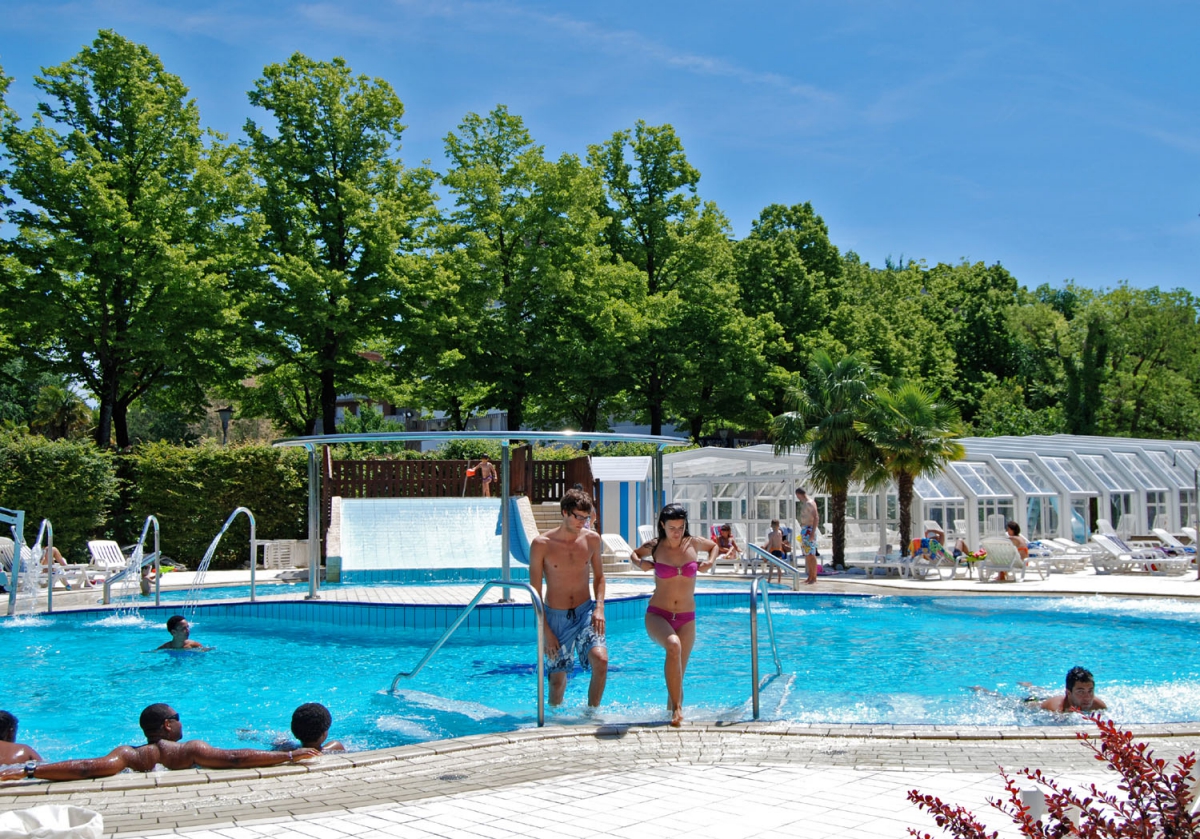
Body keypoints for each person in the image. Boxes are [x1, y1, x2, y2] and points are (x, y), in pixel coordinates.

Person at [1, 704, 317, 781]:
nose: (182, 722)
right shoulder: (189, 750)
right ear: (168, 725)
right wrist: (288, 758)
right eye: (178, 717)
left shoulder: (130, 754)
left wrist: (31, 771)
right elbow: (234, 758)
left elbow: (89, 767)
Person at [630, 504, 717, 727]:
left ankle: (672, 713)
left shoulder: (693, 543)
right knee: (673, 646)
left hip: (687, 617)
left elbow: (714, 546)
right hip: (659, 614)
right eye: (672, 528)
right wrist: (641, 564)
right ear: (662, 526)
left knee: (679, 673)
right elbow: (634, 553)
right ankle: (678, 709)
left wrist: (709, 562)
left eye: (681, 527)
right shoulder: (656, 546)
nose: (677, 532)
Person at [528, 488, 608, 708]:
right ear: (565, 512)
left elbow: (600, 577)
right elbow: (534, 592)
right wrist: (546, 631)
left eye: (586, 517)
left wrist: (599, 607)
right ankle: (554, 721)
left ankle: (591, 715)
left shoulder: (592, 540)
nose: (582, 522)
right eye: (578, 517)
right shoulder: (541, 544)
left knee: (601, 661)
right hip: (555, 617)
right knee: (556, 681)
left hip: (585, 612)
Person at [1033, 666, 1108, 714]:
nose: (1087, 697)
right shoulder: (1057, 710)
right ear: (1068, 692)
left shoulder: (1098, 706)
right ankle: (1031, 687)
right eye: (1081, 692)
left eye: (1090, 691)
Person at [795, 488, 821, 585]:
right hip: (805, 530)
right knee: (807, 554)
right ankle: (810, 576)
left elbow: (816, 517)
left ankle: (814, 577)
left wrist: (812, 533)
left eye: (797, 496)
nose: (798, 498)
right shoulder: (807, 503)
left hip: (809, 530)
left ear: (799, 494)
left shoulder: (809, 503)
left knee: (811, 554)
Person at [763, 519, 785, 584]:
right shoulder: (780, 533)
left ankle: (769, 580)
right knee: (778, 567)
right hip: (779, 551)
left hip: (774, 551)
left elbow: (770, 544)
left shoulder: (771, 534)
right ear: (778, 525)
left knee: (771, 567)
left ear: (771, 526)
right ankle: (779, 580)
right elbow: (780, 543)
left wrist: (766, 553)